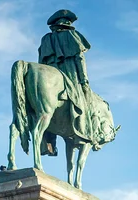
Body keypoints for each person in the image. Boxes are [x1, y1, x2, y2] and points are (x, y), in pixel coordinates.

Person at [38, 9, 95, 154]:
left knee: (42, 109)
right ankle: (81, 133)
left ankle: (48, 143)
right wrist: (84, 81)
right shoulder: (72, 36)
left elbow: (41, 64)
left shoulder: (46, 39)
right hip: (70, 74)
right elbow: (79, 59)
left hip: (49, 76)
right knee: (82, 101)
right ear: (68, 23)